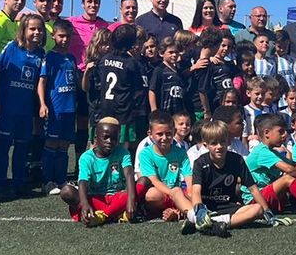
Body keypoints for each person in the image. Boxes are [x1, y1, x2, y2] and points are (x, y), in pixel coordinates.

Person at [180, 119, 279, 237]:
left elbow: (253, 188)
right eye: (214, 143)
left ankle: (210, 223)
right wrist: (200, 209)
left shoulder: (237, 160)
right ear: (206, 145)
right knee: (177, 193)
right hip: (205, 207)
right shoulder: (200, 163)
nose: (219, 146)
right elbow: (196, 191)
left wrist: (267, 210)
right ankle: (202, 219)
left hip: (228, 206)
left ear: (228, 142)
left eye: (222, 142)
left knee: (258, 209)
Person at [0, 13, 46, 197]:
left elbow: (41, 81)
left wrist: (41, 104)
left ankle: (18, 181)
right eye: (32, 28)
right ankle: (0, 182)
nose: (37, 32)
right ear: (23, 30)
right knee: (4, 145)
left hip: (25, 109)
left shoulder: (41, 53)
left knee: (23, 146)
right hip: (7, 106)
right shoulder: (12, 48)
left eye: (39, 29)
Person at [58, 118, 136, 226]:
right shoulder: (86, 158)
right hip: (96, 199)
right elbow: (83, 182)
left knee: (143, 182)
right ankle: (115, 213)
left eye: (114, 138)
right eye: (105, 137)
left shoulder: (123, 153)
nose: (109, 141)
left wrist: (130, 200)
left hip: (118, 197)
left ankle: (101, 216)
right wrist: (85, 204)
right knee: (67, 191)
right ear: (95, 139)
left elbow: (129, 174)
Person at [96, 24, 149, 153]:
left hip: (105, 109)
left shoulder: (104, 59)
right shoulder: (131, 63)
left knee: (104, 146)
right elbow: (139, 91)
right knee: (122, 148)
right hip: (124, 112)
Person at [38, 19, 77, 195]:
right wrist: (43, 103)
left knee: (64, 145)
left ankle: (61, 180)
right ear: (53, 35)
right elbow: (42, 82)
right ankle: (47, 181)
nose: (65, 39)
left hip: (70, 109)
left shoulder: (71, 58)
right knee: (51, 143)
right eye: (61, 36)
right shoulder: (50, 58)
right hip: (55, 109)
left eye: (68, 36)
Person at [136, 111, 194, 221]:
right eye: (159, 134)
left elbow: (189, 178)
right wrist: (174, 194)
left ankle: (182, 212)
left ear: (174, 132)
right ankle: (181, 210)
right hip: (163, 195)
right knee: (151, 195)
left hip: (178, 193)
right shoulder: (145, 154)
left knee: (196, 191)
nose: (164, 138)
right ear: (150, 134)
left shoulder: (180, 152)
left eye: (168, 133)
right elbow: (153, 180)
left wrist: (191, 194)